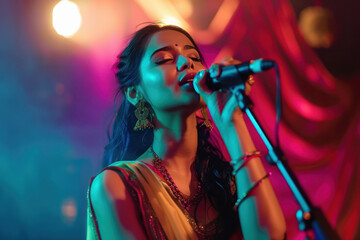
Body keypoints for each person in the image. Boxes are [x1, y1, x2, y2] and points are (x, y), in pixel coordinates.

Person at [87, 24, 286, 240]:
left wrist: (232, 123)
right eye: (164, 60)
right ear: (135, 93)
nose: (187, 63)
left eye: (194, 57)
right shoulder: (117, 186)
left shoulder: (227, 181)